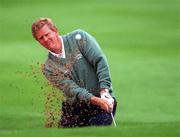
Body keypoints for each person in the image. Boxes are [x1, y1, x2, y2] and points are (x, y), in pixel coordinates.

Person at [31, 17, 117, 128]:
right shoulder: (49, 68)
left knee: (96, 132)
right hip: (75, 108)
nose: (46, 39)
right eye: (41, 38)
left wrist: (104, 91)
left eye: (47, 34)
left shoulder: (79, 38)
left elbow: (100, 61)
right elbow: (72, 89)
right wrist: (96, 100)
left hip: (103, 99)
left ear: (55, 31)